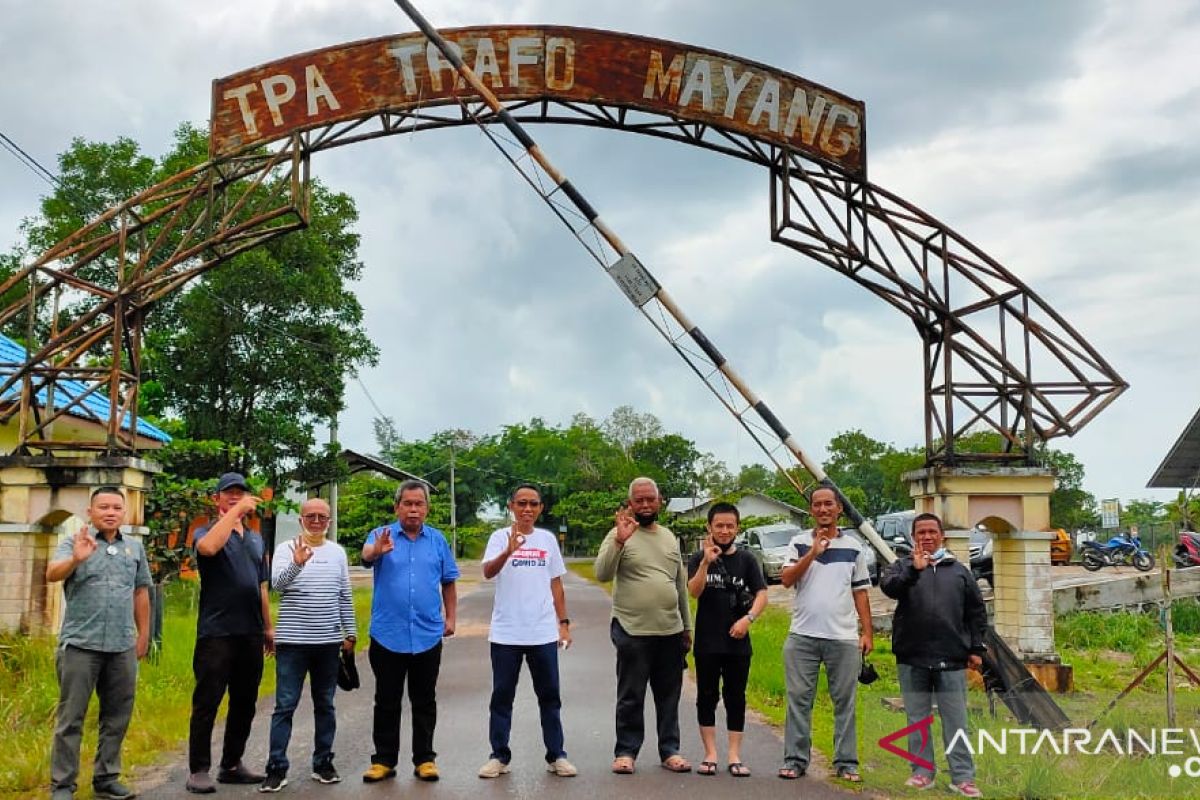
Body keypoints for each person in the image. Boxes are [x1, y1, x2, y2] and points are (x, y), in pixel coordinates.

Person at [46, 487, 151, 800]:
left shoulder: (134, 548)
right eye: (103, 506)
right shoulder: (74, 542)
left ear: (124, 512)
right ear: (89, 512)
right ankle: (63, 786)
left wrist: (142, 634)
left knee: (117, 716)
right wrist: (76, 560)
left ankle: (106, 779)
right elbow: (52, 573)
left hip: (121, 646)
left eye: (117, 507)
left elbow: (141, 591)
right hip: (81, 644)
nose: (110, 512)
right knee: (71, 719)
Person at [879, 512, 987, 798]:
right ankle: (922, 773)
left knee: (956, 720)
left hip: (951, 659)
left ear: (942, 536)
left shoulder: (960, 571)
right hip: (912, 657)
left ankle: (963, 777)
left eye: (931, 532)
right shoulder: (901, 567)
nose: (927, 537)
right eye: (921, 533)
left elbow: (976, 612)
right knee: (917, 719)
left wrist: (976, 648)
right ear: (914, 537)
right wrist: (915, 570)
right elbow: (890, 588)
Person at [360, 480, 459, 784]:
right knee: (387, 700)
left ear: (427, 508)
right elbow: (365, 557)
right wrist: (377, 551)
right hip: (388, 634)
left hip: (428, 634)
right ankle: (383, 761)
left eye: (419, 504)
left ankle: (425, 759)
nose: (413, 509)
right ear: (397, 506)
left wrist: (451, 617)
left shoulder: (438, 541)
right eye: (407, 503)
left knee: (424, 700)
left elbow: (449, 581)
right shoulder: (381, 535)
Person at [477, 484, 577, 779]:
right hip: (506, 633)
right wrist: (507, 552)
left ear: (541, 508)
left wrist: (564, 624)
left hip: (543, 633)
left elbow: (556, 585)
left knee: (549, 697)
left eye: (533, 504)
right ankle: (499, 756)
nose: (527, 509)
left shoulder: (547, 540)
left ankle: (556, 755)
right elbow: (487, 572)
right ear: (511, 506)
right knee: (502, 696)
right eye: (522, 503)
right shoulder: (499, 538)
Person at [594, 477, 692, 775]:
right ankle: (626, 751)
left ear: (659, 501)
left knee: (669, 695)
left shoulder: (669, 537)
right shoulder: (619, 533)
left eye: (650, 499)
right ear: (631, 504)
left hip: (670, 630)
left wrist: (687, 627)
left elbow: (680, 585)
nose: (646, 504)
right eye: (639, 500)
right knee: (631, 695)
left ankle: (670, 751)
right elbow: (601, 573)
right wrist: (620, 541)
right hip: (631, 629)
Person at [259, 498, 357, 792]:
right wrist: (297, 564)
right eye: (310, 516)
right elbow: (277, 585)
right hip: (292, 643)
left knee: (325, 705)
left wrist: (350, 633)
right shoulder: (285, 549)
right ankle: (276, 767)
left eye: (322, 517)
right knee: (285, 706)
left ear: (329, 521)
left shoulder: (338, 552)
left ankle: (323, 762)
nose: (316, 521)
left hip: (327, 642)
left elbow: (344, 594)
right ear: (301, 519)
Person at [778, 486, 872, 783]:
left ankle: (846, 762)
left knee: (844, 701)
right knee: (798, 700)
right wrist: (813, 554)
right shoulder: (798, 542)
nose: (823, 509)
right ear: (811, 511)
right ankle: (795, 760)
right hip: (802, 636)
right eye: (817, 505)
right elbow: (786, 580)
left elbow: (861, 592)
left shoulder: (855, 546)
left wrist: (867, 632)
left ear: (839, 508)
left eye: (828, 504)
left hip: (842, 637)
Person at [186, 472, 272, 794]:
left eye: (240, 493)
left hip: (250, 632)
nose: (235, 497)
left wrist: (268, 627)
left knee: (245, 701)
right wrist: (236, 513)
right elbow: (208, 549)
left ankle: (232, 764)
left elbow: (260, 585)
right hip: (217, 633)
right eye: (229, 493)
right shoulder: (205, 531)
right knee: (207, 701)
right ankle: (198, 769)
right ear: (217, 499)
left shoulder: (255, 538)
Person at [686, 502, 768, 778]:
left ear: (737, 528)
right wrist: (706, 562)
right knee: (706, 696)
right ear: (709, 527)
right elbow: (694, 592)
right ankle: (710, 753)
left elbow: (762, 594)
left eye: (729, 525)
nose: (724, 530)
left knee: (736, 697)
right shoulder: (698, 558)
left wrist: (749, 619)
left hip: (738, 643)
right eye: (719, 525)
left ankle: (734, 755)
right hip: (708, 642)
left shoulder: (747, 560)